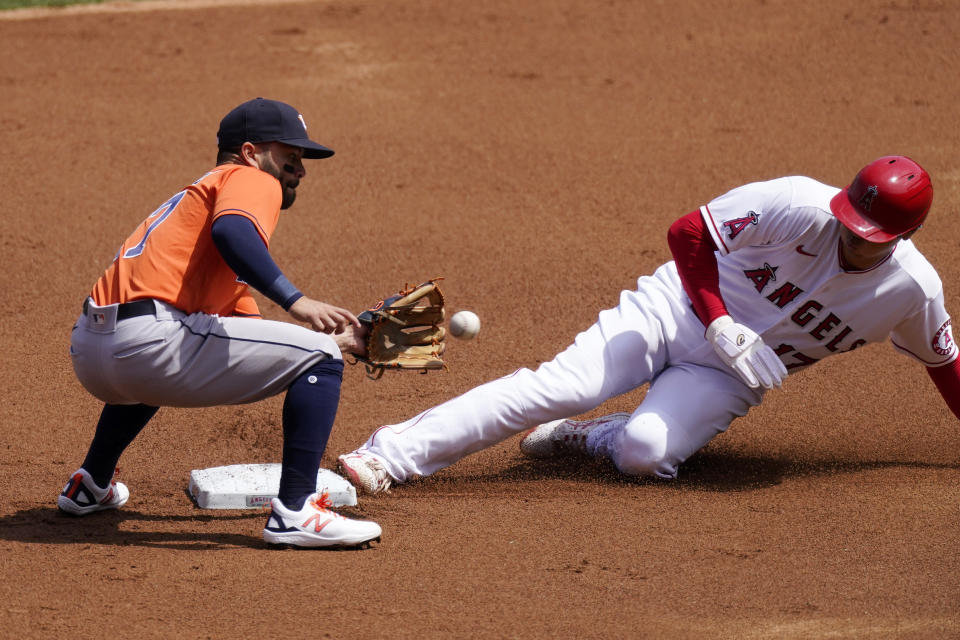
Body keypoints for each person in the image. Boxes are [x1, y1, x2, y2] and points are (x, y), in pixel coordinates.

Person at [337, 156, 959, 493]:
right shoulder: (797, 203)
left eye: (867, 235)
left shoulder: (912, 290)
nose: (849, 236)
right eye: (849, 221)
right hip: (672, 310)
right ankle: (389, 456)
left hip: (727, 375)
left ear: (904, 237)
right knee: (562, 387)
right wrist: (717, 319)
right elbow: (688, 232)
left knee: (645, 455)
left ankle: (594, 437)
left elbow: (947, 365)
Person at [60, 98, 382, 549]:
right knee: (320, 357)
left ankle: (90, 483)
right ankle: (296, 511)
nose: (299, 170)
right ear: (250, 152)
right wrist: (297, 303)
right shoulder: (248, 178)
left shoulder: (192, 205)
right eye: (289, 157)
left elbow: (248, 342)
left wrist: (343, 341)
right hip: (150, 342)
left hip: (94, 350)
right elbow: (233, 233)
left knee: (319, 352)